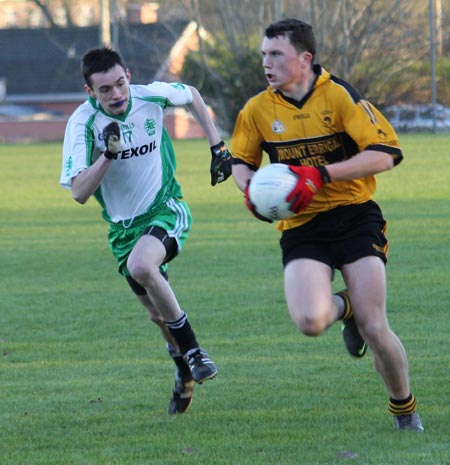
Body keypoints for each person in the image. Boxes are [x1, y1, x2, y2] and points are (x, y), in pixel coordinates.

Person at [230, 18, 423, 432]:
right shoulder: (258, 109)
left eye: (276, 54)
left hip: (354, 216)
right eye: (264, 55)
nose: (267, 63)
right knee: (311, 322)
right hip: (302, 227)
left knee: (375, 325)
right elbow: (241, 163)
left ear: (305, 59)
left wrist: (320, 175)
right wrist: (251, 193)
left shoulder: (339, 97)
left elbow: (387, 154)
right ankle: (345, 307)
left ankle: (404, 410)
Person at [60, 46, 232, 415]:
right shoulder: (81, 125)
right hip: (123, 230)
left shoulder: (149, 95)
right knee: (157, 315)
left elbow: (193, 96)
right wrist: (107, 155)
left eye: (120, 83)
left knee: (143, 266)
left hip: (166, 208)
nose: (117, 94)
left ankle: (194, 350)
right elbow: (78, 192)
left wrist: (218, 148)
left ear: (129, 75)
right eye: (105, 89)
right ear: (90, 91)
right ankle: (183, 370)